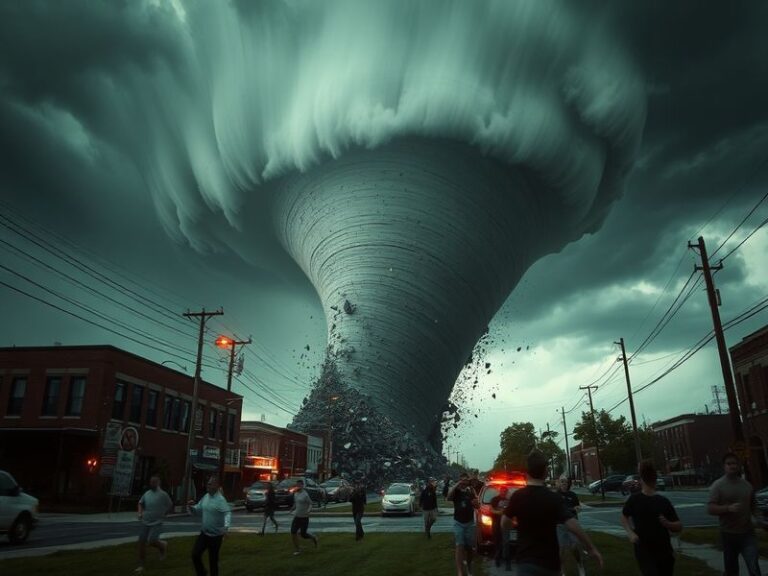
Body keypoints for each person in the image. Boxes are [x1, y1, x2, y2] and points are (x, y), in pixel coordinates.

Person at [503, 451, 603, 576]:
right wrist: (591, 548)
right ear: (545, 472)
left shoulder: (517, 497)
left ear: (526, 473)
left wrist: (517, 523)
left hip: (526, 562)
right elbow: (572, 523)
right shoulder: (553, 498)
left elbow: (504, 523)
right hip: (549, 564)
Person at [620, 460, 681, 576]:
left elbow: (678, 526)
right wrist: (630, 533)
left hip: (664, 551)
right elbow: (624, 517)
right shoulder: (635, 500)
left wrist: (668, 524)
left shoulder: (663, 502)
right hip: (644, 550)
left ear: (641, 480)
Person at [707, 452, 761, 576]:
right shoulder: (718, 485)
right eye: (729, 463)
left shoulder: (747, 485)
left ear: (739, 465)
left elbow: (754, 506)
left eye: (735, 463)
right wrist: (727, 508)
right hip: (728, 534)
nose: (732, 466)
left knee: (754, 567)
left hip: (748, 533)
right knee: (732, 570)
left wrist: (758, 519)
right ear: (724, 466)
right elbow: (710, 509)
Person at [188, 476, 231, 576]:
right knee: (195, 554)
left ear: (216, 486)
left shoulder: (220, 500)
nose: (207, 485)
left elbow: (227, 513)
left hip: (216, 537)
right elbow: (198, 509)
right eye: (208, 483)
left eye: (210, 484)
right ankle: (202, 573)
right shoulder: (206, 497)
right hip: (204, 534)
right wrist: (191, 507)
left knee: (213, 561)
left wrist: (226, 527)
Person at [135, 474, 174, 574]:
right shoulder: (147, 494)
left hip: (157, 522)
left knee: (152, 540)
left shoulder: (163, 494)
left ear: (158, 483)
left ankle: (163, 546)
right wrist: (140, 513)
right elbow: (140, 503)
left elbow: (170, 505)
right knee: (141, 542)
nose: (152, 483)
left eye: (154, 482)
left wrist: (164, 513)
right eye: (151, 482)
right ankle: (141, 565)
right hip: (145, 521)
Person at [448, 472, 479, 576]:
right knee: (459, 546)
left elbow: (477, 505)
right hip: (458, 523)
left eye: (465, 480)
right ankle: (460, 572)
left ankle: (469, 567)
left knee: (470, 548)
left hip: (470, 523)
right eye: (462, 480)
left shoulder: (471, 491)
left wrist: (476, 504)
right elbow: (448, 497)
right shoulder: (456, 491)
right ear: (459, 480)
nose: (463, 482)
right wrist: (457, 484)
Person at [557, 476, 586, 576]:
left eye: (565, 482)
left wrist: (574, 509)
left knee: (574, 547)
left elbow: (578, 507)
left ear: (568, 483)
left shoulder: (572, 495)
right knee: (561, 550)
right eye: (562, 482)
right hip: (560, 525)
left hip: (572, 523)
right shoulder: (556, 495)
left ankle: (580, 565)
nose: (564, 483)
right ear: (558, 483)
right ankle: (562, 571)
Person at [290, 479, 318, 554]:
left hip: (304, 517)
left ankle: (313, 537)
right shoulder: (295, 494)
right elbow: (296, 503)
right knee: (293, 532)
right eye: (297, 485)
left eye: (299, 485)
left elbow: (311, 504)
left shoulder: (305, 494)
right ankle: (298, 549)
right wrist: (292, 508)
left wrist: (309, 510)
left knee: (303, 534)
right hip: (297, 516)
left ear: (302, 486)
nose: (298, 486)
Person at [489, 485, 511, 570]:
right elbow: (491, 510)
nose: (504, 492)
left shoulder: (509, 501)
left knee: (506, 542)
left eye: (505, 491)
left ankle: (507, 560)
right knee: (497, 541)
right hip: (496, 524)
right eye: (502, 491)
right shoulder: (494, 499)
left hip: (506, 524)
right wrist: (500, 512)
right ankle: (497, 558)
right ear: (500, 491)